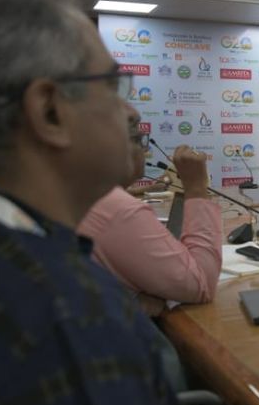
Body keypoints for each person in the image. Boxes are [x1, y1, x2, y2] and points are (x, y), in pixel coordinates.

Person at [0, 0, 259, 405]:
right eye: (112, 85)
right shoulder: (63, 311)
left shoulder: (15, 258)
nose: (128, 109)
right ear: (50, 112)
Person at [78, 121, 222, 316]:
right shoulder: (118, 209)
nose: (145, 150)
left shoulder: (81, 194)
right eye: (139, 139)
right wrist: (196, 186)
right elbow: (202, 284)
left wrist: (132, 298)